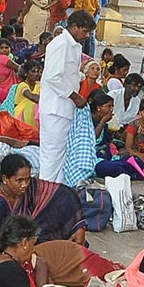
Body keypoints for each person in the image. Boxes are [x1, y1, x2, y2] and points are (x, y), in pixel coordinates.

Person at [0, 153, 86, 250]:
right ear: (5, 179)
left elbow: (64, 194)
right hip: (9, 249)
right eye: (19, 181)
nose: (25, 185)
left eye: (27, 179)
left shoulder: (32, 187)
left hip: (30, 242)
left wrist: (79, 226)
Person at [38, 11, 95, 183]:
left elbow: (66, 74)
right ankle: (45, 195)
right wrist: (75, 96)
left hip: (65, 109)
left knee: (62, 155)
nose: (87, 36)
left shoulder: (75, 46)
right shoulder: (60, 44)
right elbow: (52, 77)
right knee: (51, 156)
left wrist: (81, 76)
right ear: (73, 27)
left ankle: (57, 194)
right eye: (84, 31)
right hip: (56, 108)